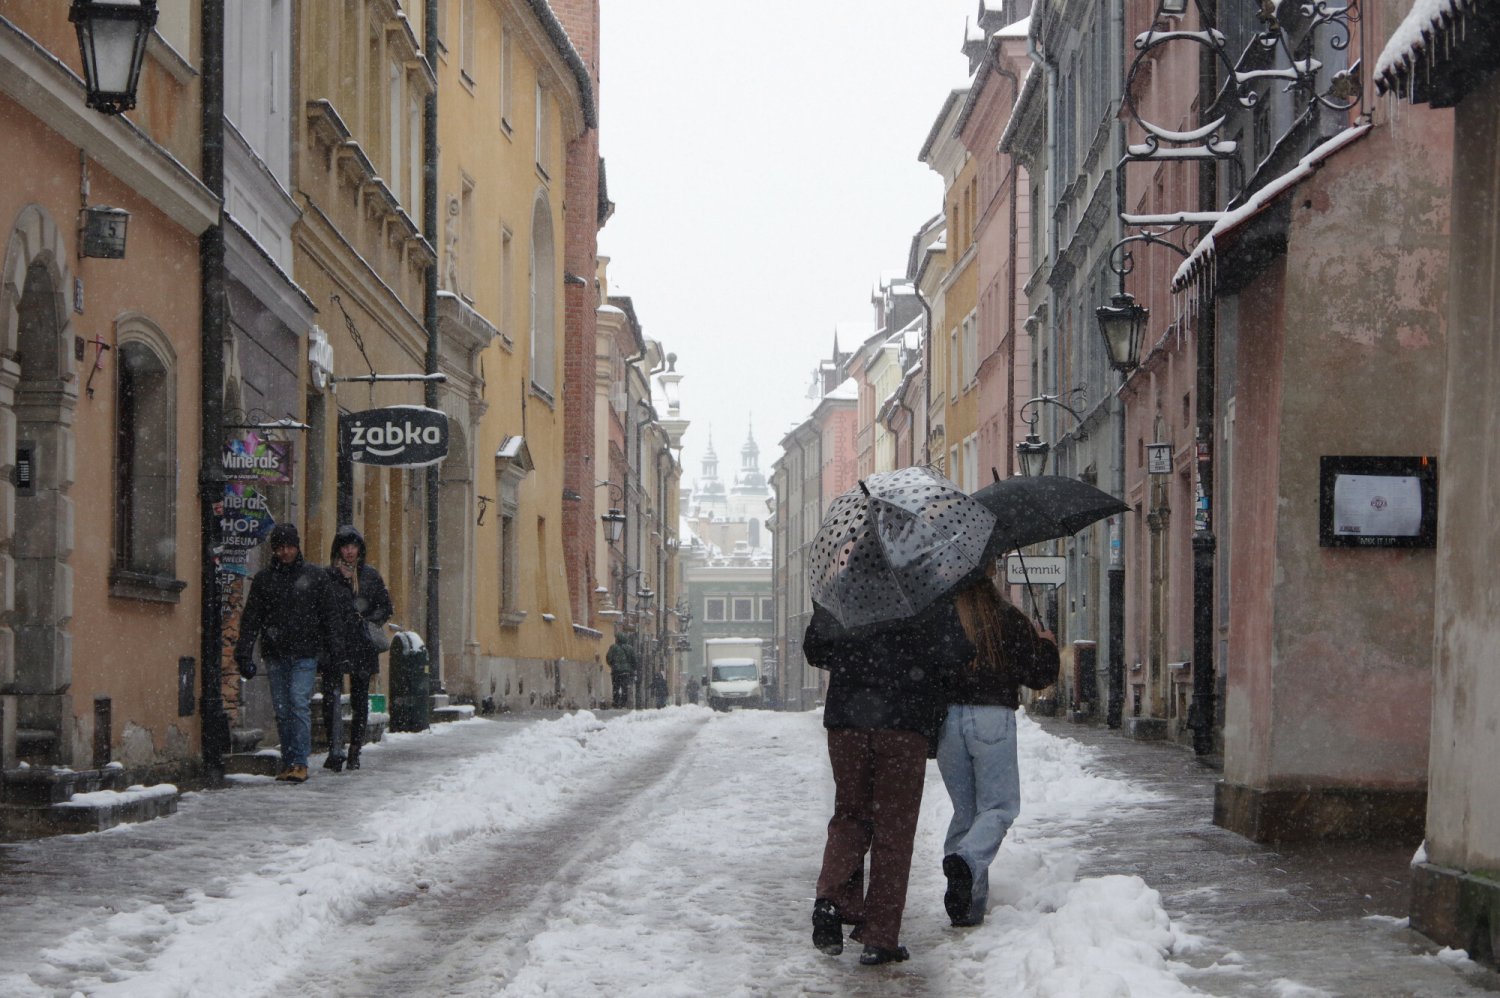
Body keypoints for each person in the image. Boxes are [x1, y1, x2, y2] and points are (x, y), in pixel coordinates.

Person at [803, 599, 976, 966]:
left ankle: (830, 901)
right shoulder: (925, 587)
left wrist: (855, 654)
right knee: (893, 831)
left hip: (848, 720)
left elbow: (815, 649)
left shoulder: (843, 586)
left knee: (850, 815)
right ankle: (880, 937)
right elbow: (957, 653)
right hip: (903, 722)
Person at [937, 577, 1060, 928]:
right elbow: (1038, 675)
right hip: (992, 716)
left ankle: (967, 907)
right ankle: (966, 861)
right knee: (999, 807)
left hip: (949, 720)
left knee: (966, 811)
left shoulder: (942, 617)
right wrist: (1047, 645)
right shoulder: (1005, 617)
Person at [235, 523, 347, 783]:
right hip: (275, 653)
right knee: (283, 709)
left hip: (305, 653)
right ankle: (288, 760)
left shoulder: (315, 577)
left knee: (298, 702)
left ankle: (299, 761)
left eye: (289, 547)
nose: (285, 552)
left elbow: (330, 616)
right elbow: (251, 618)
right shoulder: (264, 580)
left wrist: (335, 652)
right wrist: (244, 652)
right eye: (280, 548)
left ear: (297, 547)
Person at [322, 524, 393, 773]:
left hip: (362, 644)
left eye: (353, 547)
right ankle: (335, 748)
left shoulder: (370, 575)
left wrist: (369, 619)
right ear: (338, 549)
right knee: (330, 696)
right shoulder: (329, 575)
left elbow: (386, 607)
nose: (349, 552)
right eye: (345, 547)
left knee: (359, 699)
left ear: (359, 549)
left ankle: (354, 749)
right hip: (336, 643)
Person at [607, 634, 636, 709]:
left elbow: (608, 658)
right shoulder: (630, 648)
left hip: (616, 671)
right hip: (626, 672)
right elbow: (634, 660)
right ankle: (623, 703)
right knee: (625, 687)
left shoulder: (613, 647)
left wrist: (612, 665)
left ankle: (616, 702)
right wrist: (632, 668)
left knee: (616, 687)